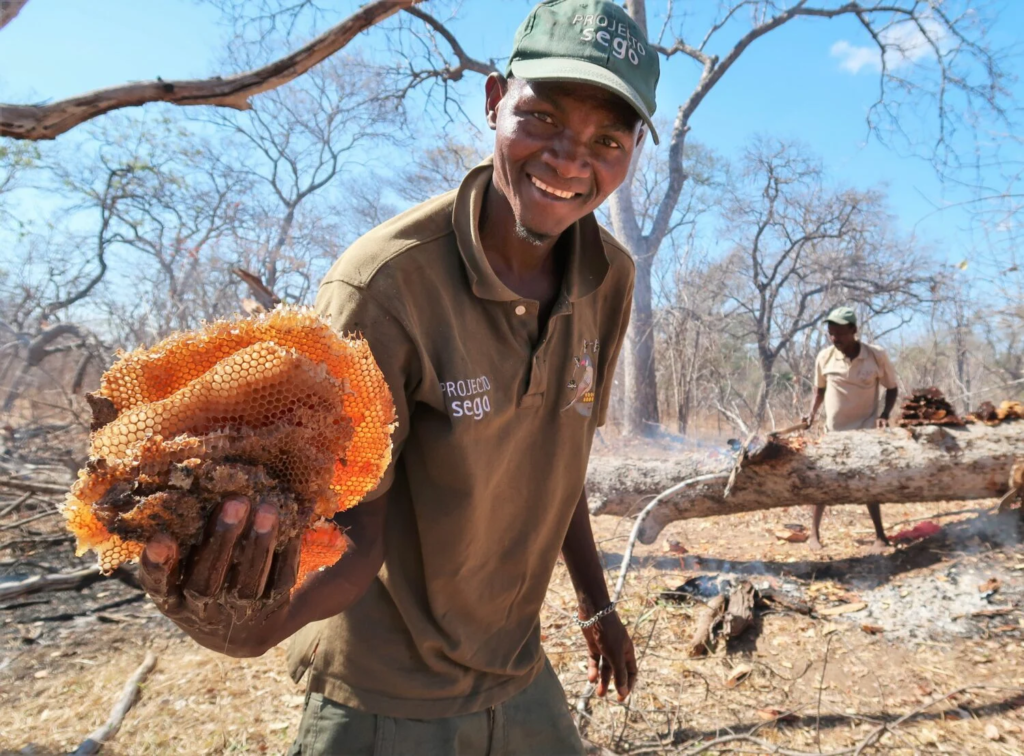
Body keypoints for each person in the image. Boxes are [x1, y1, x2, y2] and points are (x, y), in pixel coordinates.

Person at [135, 2, 660, 754]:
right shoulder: (384, 288)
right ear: (492, 102)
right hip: (390, 693)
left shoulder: (607, 278)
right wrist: (256, 629)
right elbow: (355, 532)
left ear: (633, 148)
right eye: (542, 118)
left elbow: (559, 454)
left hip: (515, 666)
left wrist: (595, 603)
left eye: (606, 139)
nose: (571, 160)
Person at [803, 306, 899, 553]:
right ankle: (814, 535)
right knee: (822, 480)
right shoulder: (824, 357)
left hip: (865, 431)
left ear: (854, 331)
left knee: (869, 482)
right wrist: (811, 413)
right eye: (831, 333)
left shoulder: (876, 356)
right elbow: (820, 391)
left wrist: (884, 415)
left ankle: (880, 536)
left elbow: (892, 388)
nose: (835, 339)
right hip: (833, 431)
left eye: (840, 334)